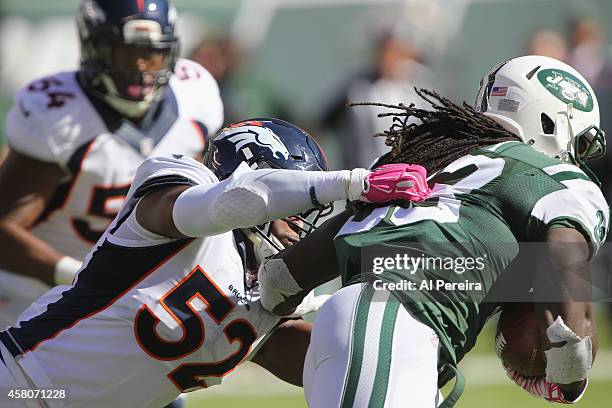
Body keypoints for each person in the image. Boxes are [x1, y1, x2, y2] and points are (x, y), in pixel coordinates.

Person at [0, 117, 429, 407]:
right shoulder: (175, 197)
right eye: (296, 200)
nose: (300, 224)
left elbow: (311, 355)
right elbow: (227, 202)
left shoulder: (269, 281)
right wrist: (351, 184)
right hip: (20, 384)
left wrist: (407, 359)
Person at [256, 56, 608, 407]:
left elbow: (282, 280)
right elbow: (564, 249)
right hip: (397, 324)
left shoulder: (419, 158)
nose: (576, 158)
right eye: (579, 145)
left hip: (365, 325)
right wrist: (568, 368)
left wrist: (263, 299)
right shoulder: (553, 178)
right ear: (552, 122)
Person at [0, 0, 223, 329]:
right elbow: (4, 230)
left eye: (152, 54)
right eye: (124, 53)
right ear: (93, 50)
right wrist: (78, 273)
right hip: (33, 293)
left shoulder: (195, 97)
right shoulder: (58, 114)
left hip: (132, 294)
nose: (140, 68)